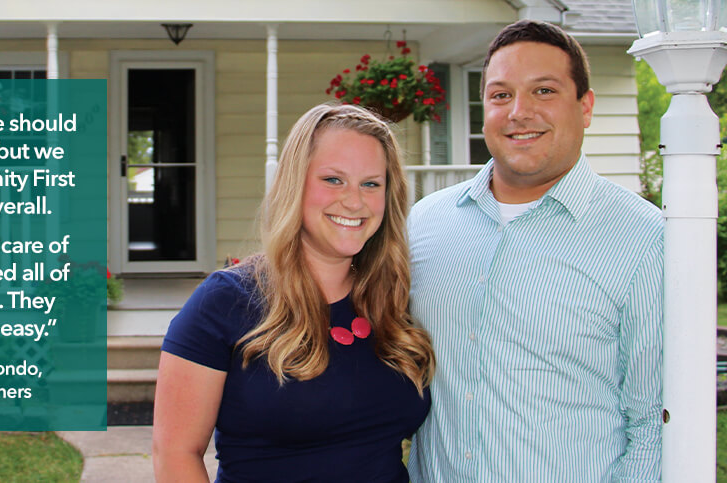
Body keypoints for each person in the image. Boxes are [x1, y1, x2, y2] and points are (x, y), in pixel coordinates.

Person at [406, 19, 662, 481]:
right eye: (500, 95)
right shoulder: (426, 224)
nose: (519, 112)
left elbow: (654, 427)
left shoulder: (644, 239)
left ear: (585, 107)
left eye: (544, 91)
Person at [152, 103, 436, 482]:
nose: (354, 201)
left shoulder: (390, 298)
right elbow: (175, 454)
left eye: (371, 183)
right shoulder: (225, 302)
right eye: (333, 179)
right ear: (295, 183)